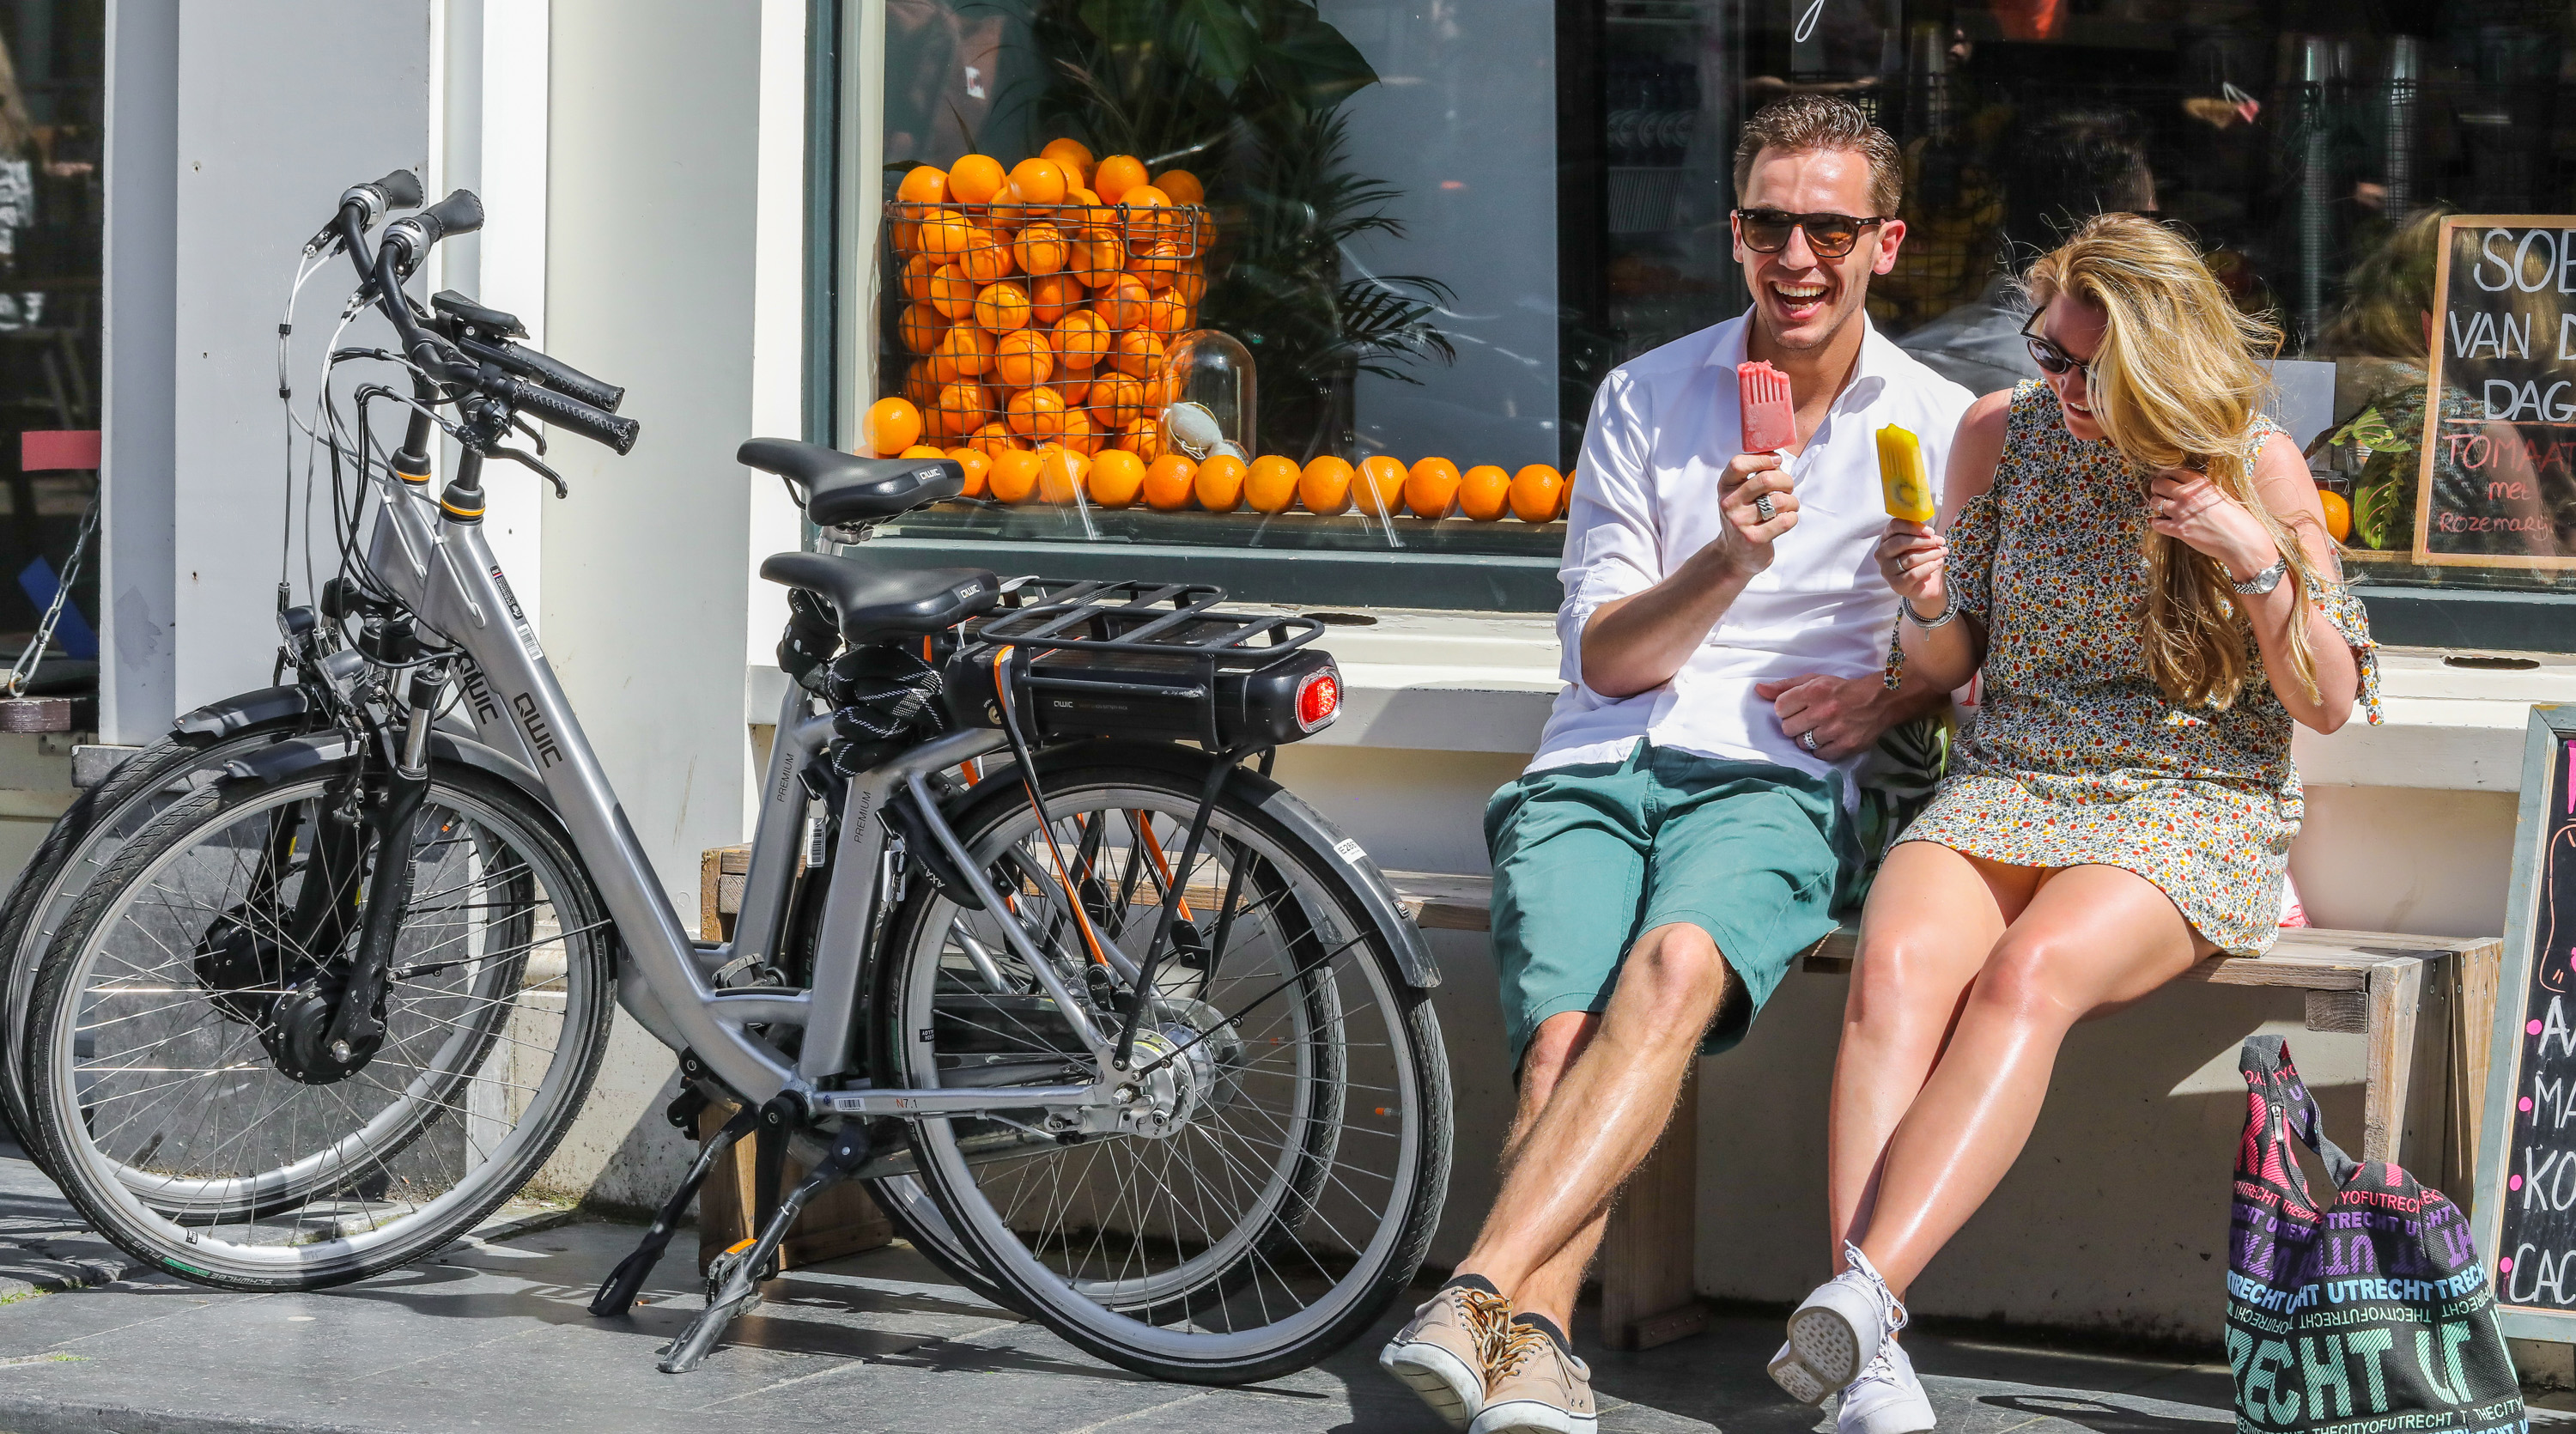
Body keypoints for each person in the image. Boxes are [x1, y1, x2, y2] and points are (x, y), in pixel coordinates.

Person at [1377, 94, 1972, 1434]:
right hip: (1599, 761)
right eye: (1772, 224)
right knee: (1566, 1039)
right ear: (1735, 233)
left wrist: (1889, 683)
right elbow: (1608, 659)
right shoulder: (1648, 398)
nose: (1798, 258)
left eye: (1830, 228)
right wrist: (1730, 559)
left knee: (1677, 964)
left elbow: (1968, 666)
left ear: (1887, 241)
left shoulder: (1940, 424)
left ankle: (1472, 1285)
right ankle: (1535, 1346)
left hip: (1770, 779)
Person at [1770, 212, 2381, 1426]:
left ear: (2158, 358)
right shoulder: (2001, 436)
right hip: (2012, 772)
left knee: (2025, 973)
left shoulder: (2252, 460)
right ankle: (1873, 1359)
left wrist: (2252, 553)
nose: (2053, 381)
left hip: (2188, 795)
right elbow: (1953, 660)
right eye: (2042, 350)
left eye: (2081, 365)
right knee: (1892, 970)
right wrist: (1931, 602)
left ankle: (1864, 1292)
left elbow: (2331, 695)